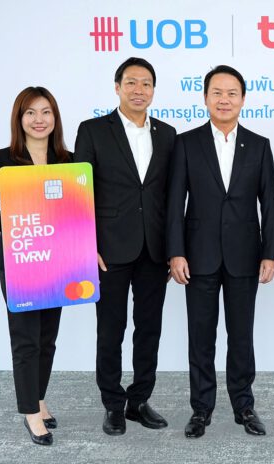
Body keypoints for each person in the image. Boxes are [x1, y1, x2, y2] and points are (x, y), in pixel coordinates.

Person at [167, 65, 274, 438]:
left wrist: (270, 253)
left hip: (245, 256)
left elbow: (270, 204)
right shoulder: (186, 143)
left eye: (232, 93)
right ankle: (201, 410)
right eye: (217, 92)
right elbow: (174, 203)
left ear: (243, 99)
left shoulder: (259, 145)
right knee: (201, 337)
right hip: (197, 256)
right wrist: (176, 252)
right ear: (205, 98)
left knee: (241, 336)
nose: (224, 99)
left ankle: (244, 406)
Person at [74, 57, 176, 435]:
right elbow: (79, 192)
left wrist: (173, 248)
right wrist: (86, 245)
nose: (139, 90)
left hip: (154, 249)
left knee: (149, 329)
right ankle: (113, 405)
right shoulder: (93, 131)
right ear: (117, 87)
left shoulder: (167, 134)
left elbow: (172, 197)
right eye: (131, 82)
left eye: (146, 83)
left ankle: (139, 400)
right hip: (108, 251)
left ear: (153, 90)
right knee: (110, 330)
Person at [0, 86, 72, 446]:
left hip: (59, 261)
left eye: (46, 112)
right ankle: (31, 413)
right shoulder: (2, 159)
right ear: (19, 119)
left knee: (47, 338)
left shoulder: (69, 161)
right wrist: (17, 224)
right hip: (20, 260)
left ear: (55, 118)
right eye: (30, 112)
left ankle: (39, 399)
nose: (38, 119)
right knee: (26, 338)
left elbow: (78, 210)